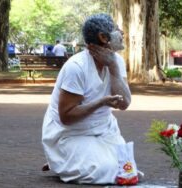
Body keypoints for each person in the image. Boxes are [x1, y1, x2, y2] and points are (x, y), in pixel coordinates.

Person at [41, 13, 132, 185]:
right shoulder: (76, 67)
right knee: (103, 171)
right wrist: (101, 102)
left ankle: (67, 160)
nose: (122, 32)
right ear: (103, 37)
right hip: (70, 134)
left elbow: (125, 103)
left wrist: (112, 67)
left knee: (126, 169)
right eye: (116, 29)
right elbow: (66, 117)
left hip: (104, 130)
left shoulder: (116, 61)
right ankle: (60, 158)